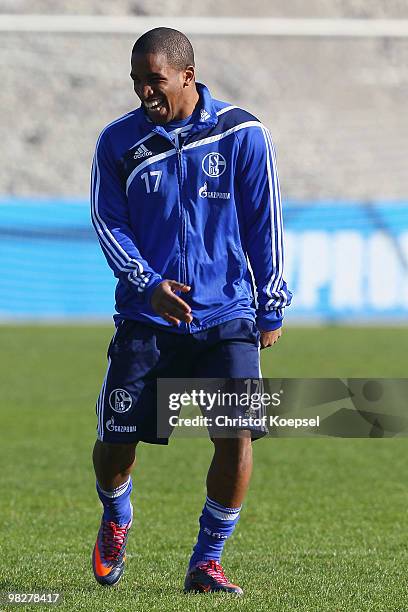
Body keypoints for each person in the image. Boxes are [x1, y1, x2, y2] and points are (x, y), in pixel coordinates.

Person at [90, 27, 292, 595]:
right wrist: (147, 284)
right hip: (146, 318)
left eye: (153, 80)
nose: (144, 92)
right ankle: (117, 512)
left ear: (186, 74)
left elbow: (265, 222)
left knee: (236, 436)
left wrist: (270, 302)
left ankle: (207, 561)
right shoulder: (117, 144)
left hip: (225, 312)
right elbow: (109, 223)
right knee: (116, 443)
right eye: (136, 81)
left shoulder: (241, 134)